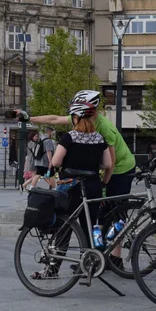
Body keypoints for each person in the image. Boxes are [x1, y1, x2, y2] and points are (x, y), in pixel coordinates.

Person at [34, 95, 113, 280]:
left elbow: (56, 161)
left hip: (71, 187)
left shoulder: (69, 137)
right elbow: (108, 164)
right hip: (92, 186)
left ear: (76, 118)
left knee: (64, 227)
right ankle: (86, 265)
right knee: (89, 227)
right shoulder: (99, 137)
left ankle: (52, 269)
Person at [14, 90, 136, 200]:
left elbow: (111, 161)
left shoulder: (104, 128)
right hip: (107, 166)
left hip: (122, 167)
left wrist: (104, 184)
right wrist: (28, 118)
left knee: (112, 205)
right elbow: (55, 119)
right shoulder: (80, 118)